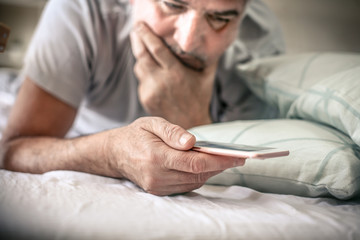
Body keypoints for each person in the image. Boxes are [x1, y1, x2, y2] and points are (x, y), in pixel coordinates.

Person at [0, 0, 285, 196]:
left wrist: (193, 119)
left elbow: (258, 169)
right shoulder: (82, 9)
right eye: (172, 4)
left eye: (220, 18)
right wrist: (111, 154)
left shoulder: (256, 38)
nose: (188, 42)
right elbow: (14, 149)